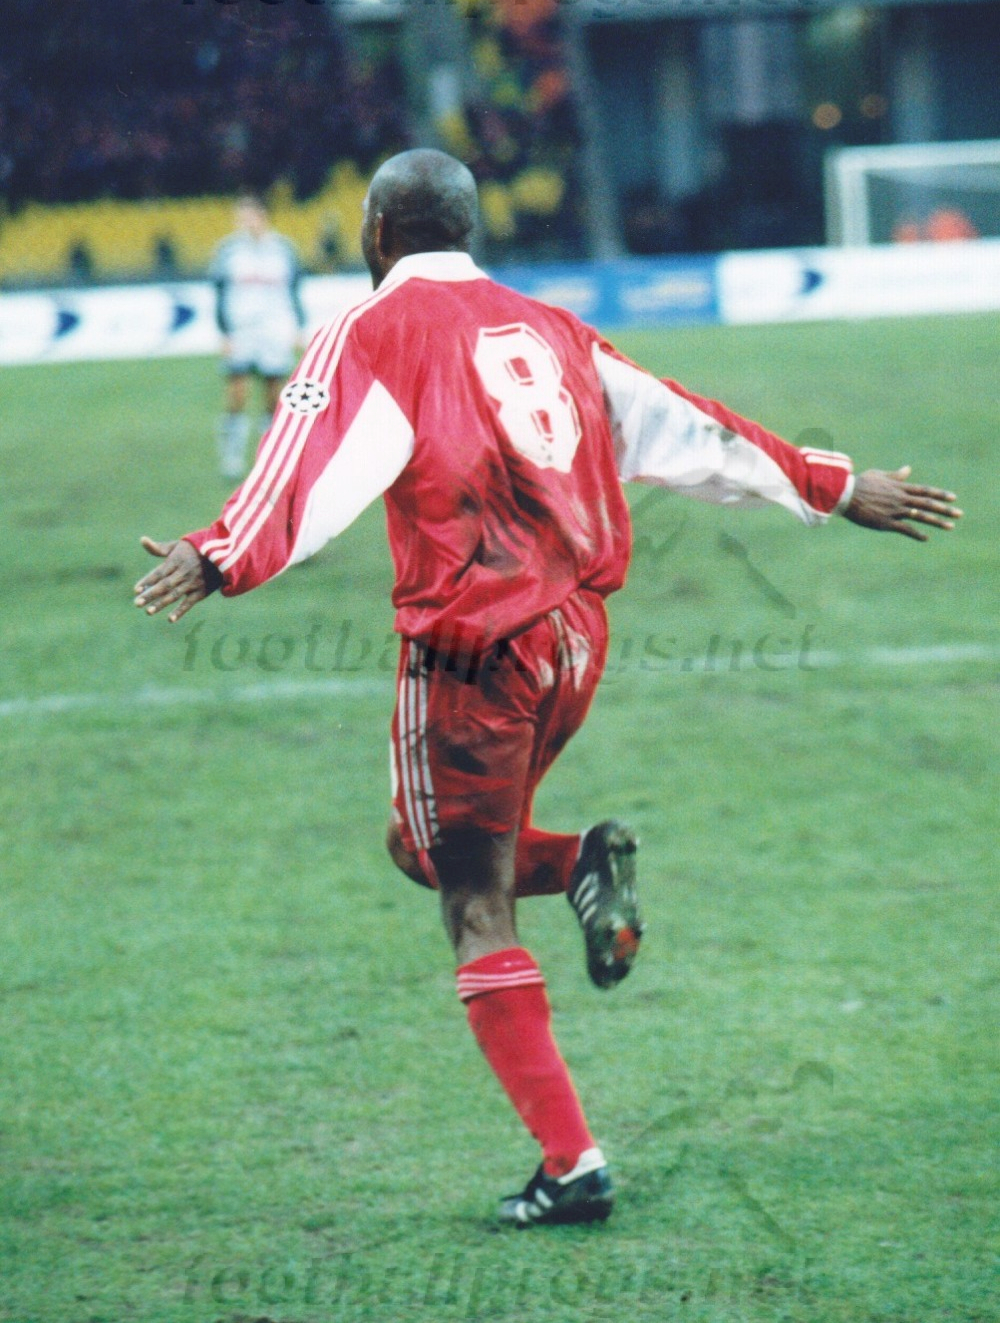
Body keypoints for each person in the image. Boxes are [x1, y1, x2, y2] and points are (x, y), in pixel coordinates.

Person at [134, 149, 962, 1227]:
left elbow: (310, 464)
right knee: (424, 844)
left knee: (470, 898)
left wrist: (217, 552)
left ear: (377, 233)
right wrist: (836, 483)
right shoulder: (552, 327)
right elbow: (688, 426)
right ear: (470, 229)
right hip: (574, 640)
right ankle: (578, 863)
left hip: (474, 650)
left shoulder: (373, 330)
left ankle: (572, 1163)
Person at [209, 193, 308, 479]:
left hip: (274, 330)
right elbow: (219, 293)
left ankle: (269, 457)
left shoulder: (284, 249)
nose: (244, 221)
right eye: (240, 216)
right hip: (242, 330)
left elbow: (294, 292)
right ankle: (232, 456)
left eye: (249, 215)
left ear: (262, 215)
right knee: (236, 391)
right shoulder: (227, 251)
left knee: (273, 393)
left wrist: (298, 327)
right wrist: (224, 332)